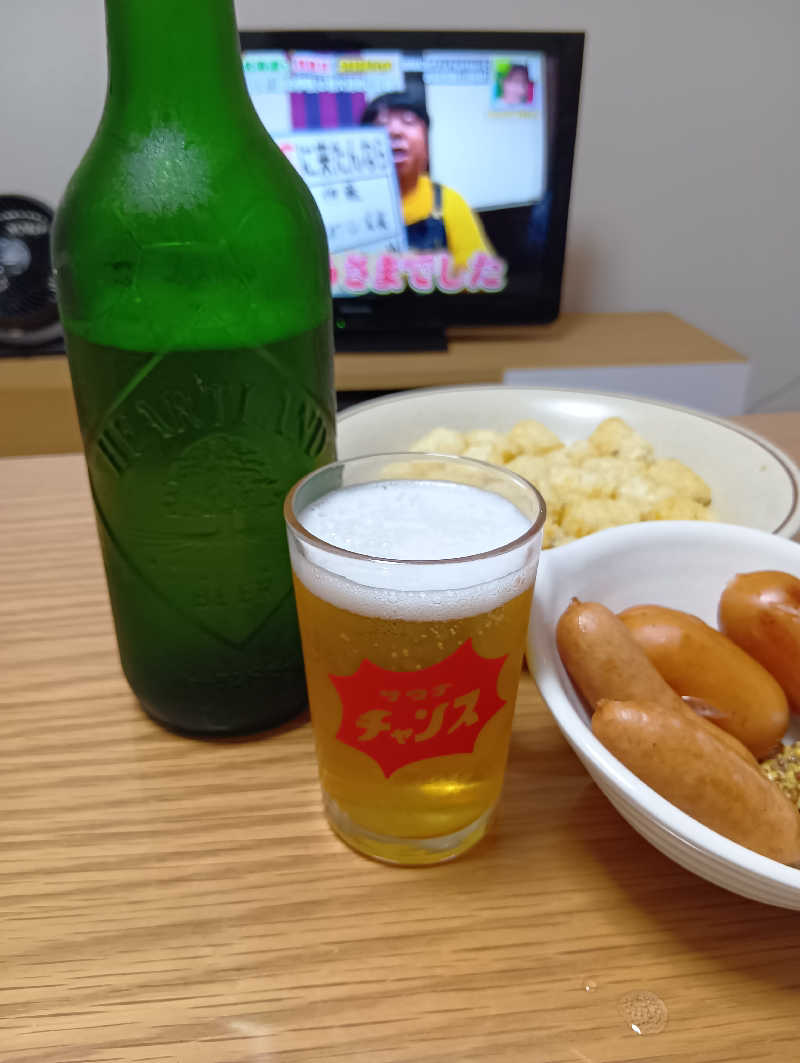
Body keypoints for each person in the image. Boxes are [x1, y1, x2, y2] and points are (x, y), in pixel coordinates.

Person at [360, 91, 493, 269]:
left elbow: (480, 275)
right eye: (382, 124)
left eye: (408, 121)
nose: (394, 131)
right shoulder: (348, 206)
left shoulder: (449, 202)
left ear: (426, 141)